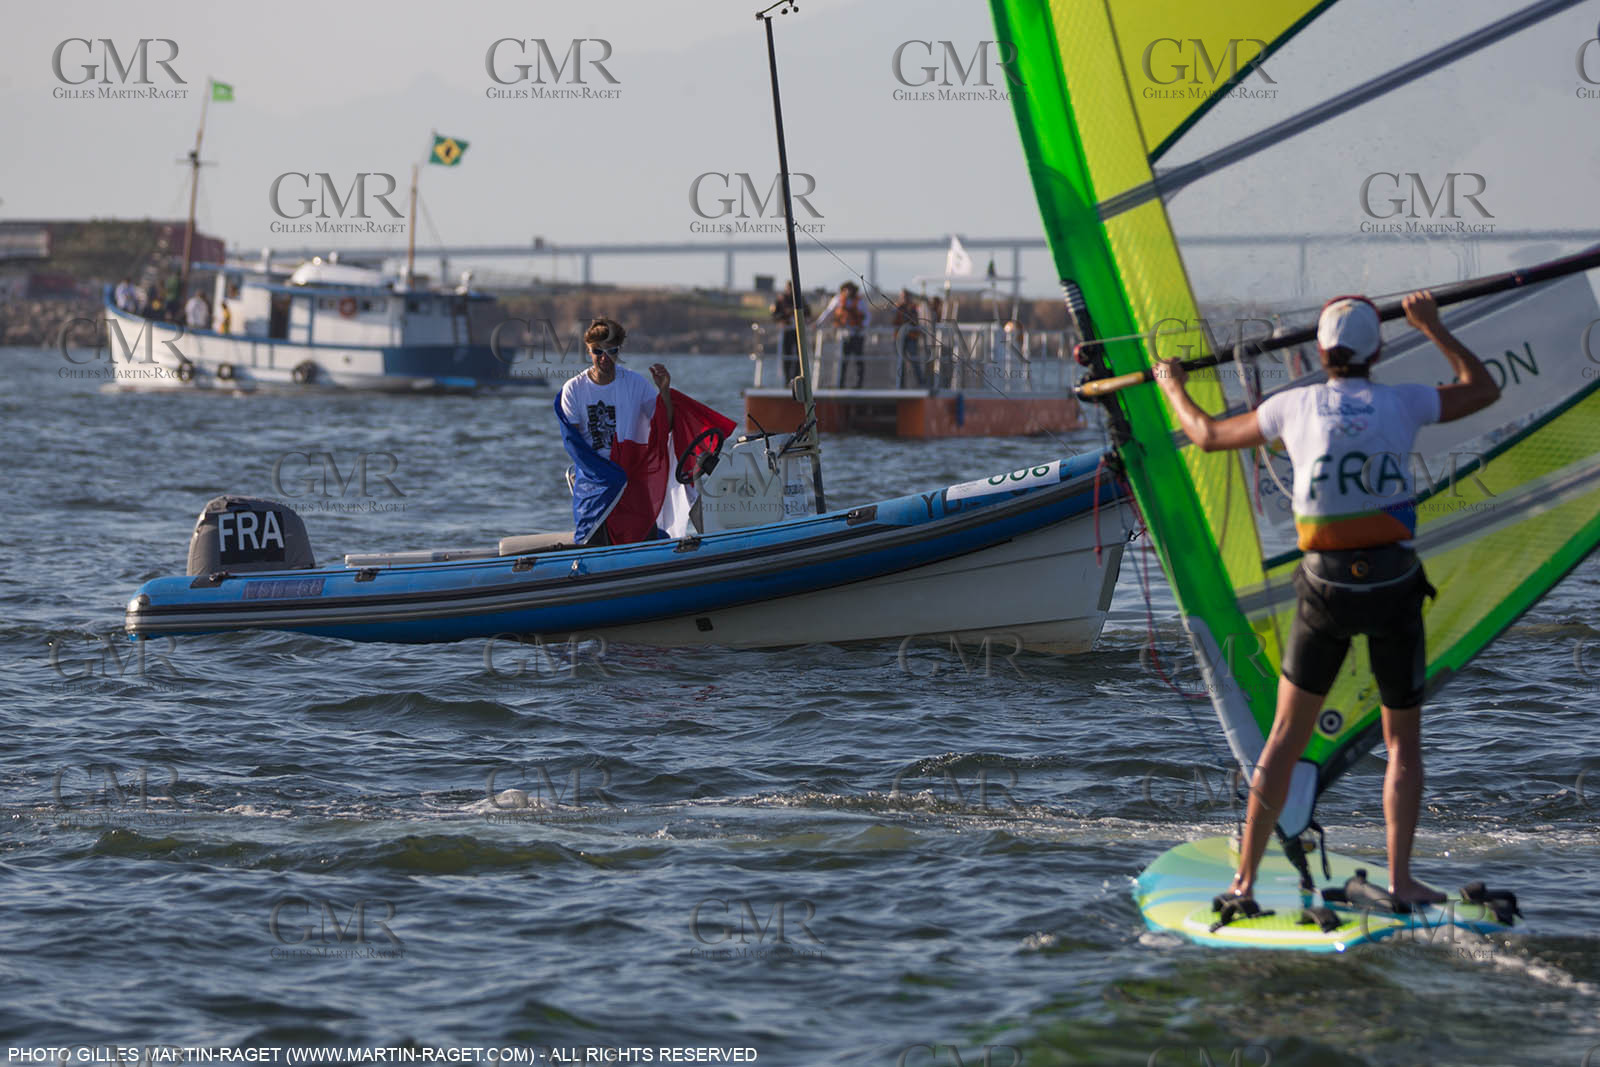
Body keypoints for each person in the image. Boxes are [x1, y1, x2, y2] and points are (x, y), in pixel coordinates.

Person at [1154, 291, 1501, 911]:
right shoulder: (1403, 400)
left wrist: (1171, 384)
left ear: (1319, 352)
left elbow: (1205, 436)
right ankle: (1399, 882)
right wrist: (1434, 327)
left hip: (1327, 588)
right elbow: (1482, 388)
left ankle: (1245, 884)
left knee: (1284, 739)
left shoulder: (1292, 405)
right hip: (1394, 584)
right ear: (1379, 350)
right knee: (1403, 745)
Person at [813, 281, 870, 388]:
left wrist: (862, 326)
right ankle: (840, 384)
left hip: (857, 335)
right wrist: (818, 323)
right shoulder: (837, 300)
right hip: (843, 336)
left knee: (859, 360)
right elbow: (828, 312)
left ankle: (859, 384)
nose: (848, 291)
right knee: (842, 360)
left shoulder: (860, 301)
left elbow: (867, 316)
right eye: (846, 289)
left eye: (850, 289)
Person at [770, 280, 810, 383]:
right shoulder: (780, 300)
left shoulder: (800, 299)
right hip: (786, 331)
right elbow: (774, 315)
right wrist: (784, 318)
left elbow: (807, 313)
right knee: (786, 354)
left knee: (799, 355)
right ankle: (787, 379)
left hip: (798, 331)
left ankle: (797, 377)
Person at [891, 289, 925, 387]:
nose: (904, 299)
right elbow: (894, 322)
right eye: (903, 297)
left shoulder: (913, 308)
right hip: (899, 338)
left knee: (914, 360)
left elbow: (916, 321)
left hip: (911, 337)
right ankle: (900, 384)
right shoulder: (897, 308)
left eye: (906, 297)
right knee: (900, 362)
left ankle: (920, 382)